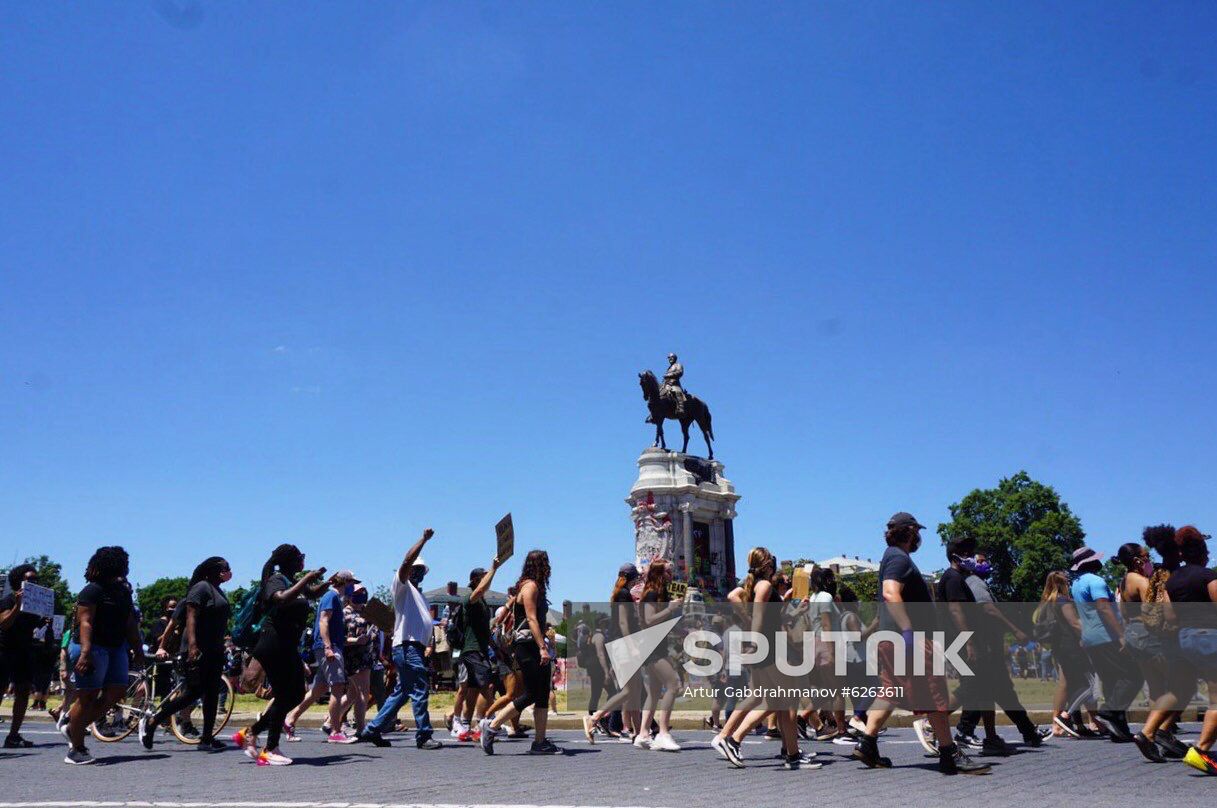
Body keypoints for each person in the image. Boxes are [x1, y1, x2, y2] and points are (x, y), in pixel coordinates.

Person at [853, 513, 989, 775]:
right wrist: (908, 630)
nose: (919, 538)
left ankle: (868, 742)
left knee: (889, 690)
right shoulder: (899, 558)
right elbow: (890, 593)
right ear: (910, 531)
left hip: (891, 639)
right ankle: (950, 754)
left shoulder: (891, 556)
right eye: (917, 532)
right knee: (933, 691)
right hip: (909, 638)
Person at [938, 537, 1044, 756]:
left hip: (972, 642)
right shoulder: (954, 579)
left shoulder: (961, 579)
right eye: (968, 553)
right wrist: (969, 642)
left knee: (985, 688)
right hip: (963, 643)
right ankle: (934, 722)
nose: (974, 559)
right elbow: (958, 611)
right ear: (956, 555)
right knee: (970, 688)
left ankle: (992, 737)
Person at [232, 544, 328, 766]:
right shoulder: (276, 579)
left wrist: (327, 581)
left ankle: (251, 734)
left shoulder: (291, 580)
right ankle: (269, 748)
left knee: (293, 694)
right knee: (289, 695)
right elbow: (280, 598)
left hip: (284, 644)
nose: (303, 560)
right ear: (289, 561)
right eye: (300, 557)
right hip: (273, 642)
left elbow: (312, 593)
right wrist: (307, 579)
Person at [354, 528, 443, 750]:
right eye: (417, 569)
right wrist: (423, 540)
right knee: (420, 687)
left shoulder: (418, 595)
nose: (419, 573)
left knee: (403, 691)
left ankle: (372, 730)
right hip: (407, 647)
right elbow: (405, 562)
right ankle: (424, 735)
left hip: (413, 647)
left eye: (422, 571)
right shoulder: (401, 585)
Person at [65, 547, 147, 765]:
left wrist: (138, 650)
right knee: (88, 695)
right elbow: (85, 622)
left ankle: (72, 725)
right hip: (92, 647)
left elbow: (130, 623)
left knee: (117, 692)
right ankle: (77, 749)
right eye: (124, 562)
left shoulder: (123, 592)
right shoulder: (92, 591)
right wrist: (85, 652)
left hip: (116, 647)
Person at [140, 557, 232, 751]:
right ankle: (154, 721)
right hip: (197, 649)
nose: (228, 572)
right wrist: (192, 645)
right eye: (225, 569)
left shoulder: (217, 590)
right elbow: (191, 617)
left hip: (214, 650)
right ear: (214, 571)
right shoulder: (201, 588)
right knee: (192, 692)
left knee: (212, 693)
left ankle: (207, 738)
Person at [480, 549, 560, 755]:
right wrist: (543, 648)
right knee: (532, 693)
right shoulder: (531, 587)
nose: (549, 568)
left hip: (528, 646)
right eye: (546, 564)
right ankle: (492, 726)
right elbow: (532, 619)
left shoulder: (525, 586)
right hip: (529, 646)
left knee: (541, 694)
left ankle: (540, 742)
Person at [1131, 524, 1193, 760]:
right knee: (1180, 688)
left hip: (1159, 637)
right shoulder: (1177, 574)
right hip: (1175, 636)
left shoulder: (1157, 574)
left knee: (1180, 688)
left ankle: (1162, 732)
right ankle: (1150, 733)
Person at [1069, 546, 1142, 742]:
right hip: (1106, 636)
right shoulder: (1096, 581)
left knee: (1111, 681)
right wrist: (1120, 635)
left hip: (1090, 638)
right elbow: (1103, 607)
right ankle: (1110, 711)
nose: (1099, 561)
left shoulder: (1076, 584)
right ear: (1089, 563)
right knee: (1133, 676)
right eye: (1095, 559)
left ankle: (1119, 729)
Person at [284, 570, 361, 744]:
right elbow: (323, 621)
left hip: (331, 646)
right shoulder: (331, 597)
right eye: (351, 582)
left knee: (318, 689)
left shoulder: (335, 599)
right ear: (343, 582)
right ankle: (335, 731)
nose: (353, 586)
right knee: (338, 687)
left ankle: (290, 719)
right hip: (329, 647)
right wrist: (328, 647)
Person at [1165, 526, 1217, 775]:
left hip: (1185, 639)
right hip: (1209, 638)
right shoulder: (1208, 576)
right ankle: (1202, 750)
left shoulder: (1173, 580)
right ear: (1202, 550)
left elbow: (1170, 617)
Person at [1034, 570, 1104, 739]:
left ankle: (1080, 722)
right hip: (1072, 647)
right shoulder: (1063, 601)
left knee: (1068, 684)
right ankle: (1060, 722)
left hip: (1059, 647)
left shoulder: (1048, 602)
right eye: (1068, 581)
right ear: (1063, 583)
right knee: (1085, 684)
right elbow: (1075, 623)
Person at [583, 563, 645, 744]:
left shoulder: (618, 593)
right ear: (633, 578)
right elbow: (624, 623)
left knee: (634, 690)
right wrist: (632, 645)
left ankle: (639, 731)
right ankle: (595, 718)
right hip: (624, 645)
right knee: (628, 690)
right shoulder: (624, 594)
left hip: (620, 645)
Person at [452, 556, 503, 742]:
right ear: (475, 580)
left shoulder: (483, 604)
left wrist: (495, 648)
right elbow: (482, 588)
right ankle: (484, 724)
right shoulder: (469, 599)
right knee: (487, 686)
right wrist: (494, 569)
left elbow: (484, 630)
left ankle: (467, 726)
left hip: (480, 649)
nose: (486, 578)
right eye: (483, 576)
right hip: (471, 650)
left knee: (473, 690)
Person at [634, 560, 683, 751]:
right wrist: (670, 609)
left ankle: (643, 733)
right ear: (659, 574)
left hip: (655, 646)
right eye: (669, 572)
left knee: (654, 692)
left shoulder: (661, 594)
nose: (672, 576)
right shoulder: (652, 594)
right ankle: (663, 732)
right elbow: (649, 620)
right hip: (652, 648)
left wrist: (681, 630)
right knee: (673, 685)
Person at [0, 564, 42, 748]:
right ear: (19, 581)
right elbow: (4, 624)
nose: (33, 582)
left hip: (24, 650)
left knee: (23, 691)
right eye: (29, 579)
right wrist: (18, 606)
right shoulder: (8, 600)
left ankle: (13, 735)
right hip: (5, 649)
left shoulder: (36, 605)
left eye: (36, 580)